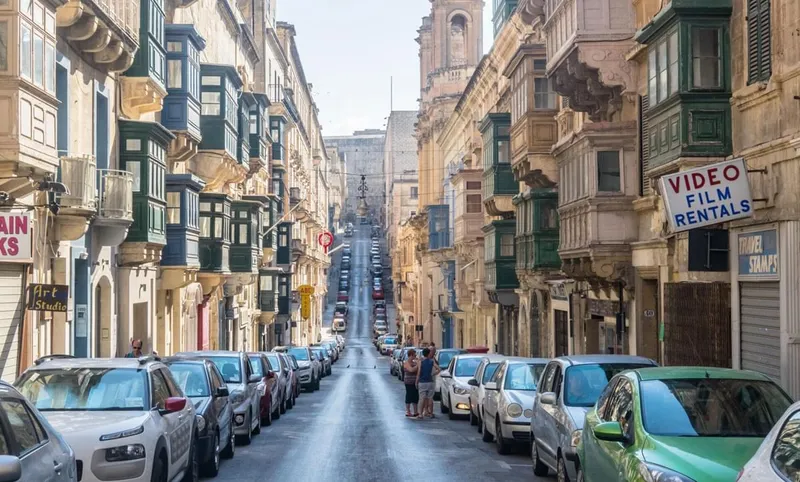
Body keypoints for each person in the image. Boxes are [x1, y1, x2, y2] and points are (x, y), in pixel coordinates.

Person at [416, 347, 439, 419]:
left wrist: (416, 381)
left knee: (422, 398)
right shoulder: (431, 361)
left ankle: (420, 414)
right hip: (430, 382)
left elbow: (419, 372)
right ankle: (431, 413)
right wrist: (433, 374)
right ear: (429, 353)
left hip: (422, 382)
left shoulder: (421, 362)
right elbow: (439, 369)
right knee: (430, 398)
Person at [403, 349, 420, 417]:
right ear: (411, 355)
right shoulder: (406, 363)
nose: (415, 356)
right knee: (409, 396)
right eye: (414, 355)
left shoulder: (414, 362)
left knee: (415, 396)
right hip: (408, 382)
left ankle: (415, 411)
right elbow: (411, 370)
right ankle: (408, 411)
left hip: (415, 382)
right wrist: (418, 365)